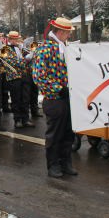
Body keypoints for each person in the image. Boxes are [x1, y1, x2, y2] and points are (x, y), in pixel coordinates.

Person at [32, 17, 77, 179]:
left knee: (68, 133)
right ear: (60, 32)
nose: (69, 36)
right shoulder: (44, 49)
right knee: (55, 134)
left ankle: (66, 162)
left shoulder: (67, 47)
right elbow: (39, 76)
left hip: (69, 97)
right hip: (54, 99)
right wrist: (58, 89)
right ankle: (53, 164)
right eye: (67, 33)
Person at [6, 31, 33, 129]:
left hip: (24, 75)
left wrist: (31, 53)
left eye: (17, 39)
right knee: (16, 99)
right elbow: (12, 62)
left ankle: (25, 119)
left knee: (25, 98)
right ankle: (17, 120)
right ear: (9, 39)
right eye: (14, 39)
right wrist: (26, 59)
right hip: (13, 77)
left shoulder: (20, 47)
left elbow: (25, 58)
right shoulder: (5, 49)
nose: (16, 41)